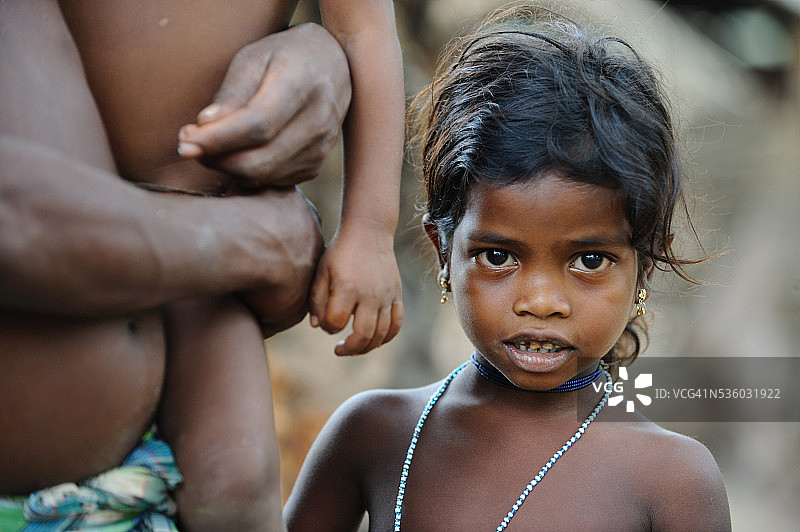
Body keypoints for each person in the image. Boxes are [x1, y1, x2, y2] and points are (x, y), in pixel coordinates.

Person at [284, 3, 732, 531]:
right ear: (443, 252)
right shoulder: (374, 434)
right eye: (498, 256)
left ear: (645, 268)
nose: (540, 301)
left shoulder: (672, 479)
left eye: (589, 260)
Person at [0, 0, 398, 530]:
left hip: (210, 221)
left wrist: (369, 230)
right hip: (80, 209)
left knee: (238, 481)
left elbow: (366, 33)